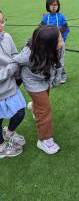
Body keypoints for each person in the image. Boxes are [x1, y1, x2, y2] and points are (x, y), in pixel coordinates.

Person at [13, 26, 64, 155]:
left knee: (42, 104)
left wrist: (56, 80)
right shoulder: (27, 55)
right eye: (59, 40)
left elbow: (60, 63)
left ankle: (34, 107)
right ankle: (44, 140)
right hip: (32, 82)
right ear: (48, 45)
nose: (62, 42)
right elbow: (15, 61)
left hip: (46, 79)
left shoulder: (59, 48)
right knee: (45, 110)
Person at [0, 10, 26, 158]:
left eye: (2, 21)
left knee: (20, 111)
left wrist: (19, 60)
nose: (1, 26)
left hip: (10, 86)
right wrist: (10, 70)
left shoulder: (7, 37)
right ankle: (1, 146)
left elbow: (15, 54)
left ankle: (8, 132)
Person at [40, 0, 69, 83]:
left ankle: (62, 75)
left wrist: (61, 38)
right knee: (50, 60)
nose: (53, 7)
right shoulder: (45, 17)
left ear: (58, 6)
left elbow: (66, 28)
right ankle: (51, 76)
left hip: (59, 44)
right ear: (47, 6)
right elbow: (40, 28)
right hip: (48, 45)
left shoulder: (61, 16)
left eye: (55, 5)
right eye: (51, 5)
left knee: (59, 60)